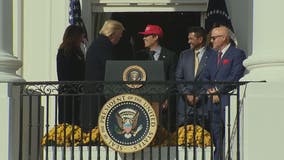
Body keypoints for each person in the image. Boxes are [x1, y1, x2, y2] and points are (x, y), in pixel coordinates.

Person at [203, 25, 247, 160]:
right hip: (212, 102)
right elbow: (204, 76)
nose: (211, 41)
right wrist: (210, 91)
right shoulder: (211, 56)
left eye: (214, 38)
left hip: (227, 100)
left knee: (229, 134)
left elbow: (235, 76)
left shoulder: (237, 54)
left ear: (224, 38)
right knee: (216, 135)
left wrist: (217, 91)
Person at [81, 20, 125, 131]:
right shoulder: (103, 46)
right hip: (97, 91)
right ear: (112, 33)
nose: (120, 38)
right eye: (119, 35)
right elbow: (109, 68)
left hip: (95, 90)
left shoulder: (99, 43)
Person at [136, 24, 178, 131]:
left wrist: (167, 99)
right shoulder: (140, 56)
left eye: (147, 35)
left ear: (155, 37)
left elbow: (172, 79)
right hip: (144, 101)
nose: (144, 38)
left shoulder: (170, 55)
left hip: (162, 103)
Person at [176, 26, 215, 129]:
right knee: (182, 137)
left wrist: (199, 96)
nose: (189, 41)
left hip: (203, 105)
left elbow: (212, 79)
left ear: (200, 39)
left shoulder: (213, 55)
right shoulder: (184, 55)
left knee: (204, 139)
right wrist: (187, 94)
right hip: (185, 105)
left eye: (191, 39)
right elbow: (178, 78)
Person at [56, 25, 85, 125]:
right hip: (68, 92)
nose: (82, 39)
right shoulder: (65, 52)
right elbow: (68, 72)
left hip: (76, 92)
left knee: (76, 119)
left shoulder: (77, 51)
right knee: (68, 120)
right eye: (81, 36)